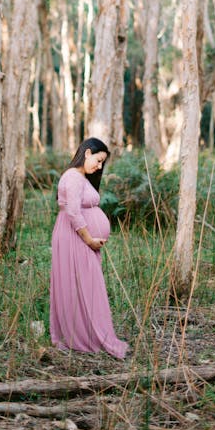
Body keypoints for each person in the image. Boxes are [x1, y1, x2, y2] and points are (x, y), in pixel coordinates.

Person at [49, 137, 128, 359]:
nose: (99, 166)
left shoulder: (80, 177)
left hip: (79, 238)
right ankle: (82, 336)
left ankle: (87, 333)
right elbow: (73, 212)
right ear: (87, 153)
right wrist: (89, 239)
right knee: (81, 286)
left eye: (102, 163)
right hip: (76, 237)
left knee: (85, 286)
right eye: (98, 160)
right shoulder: (73, 177)